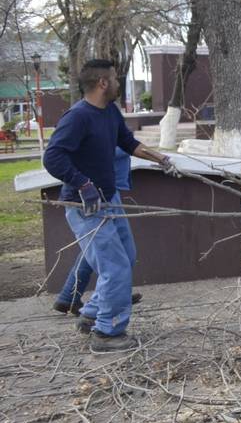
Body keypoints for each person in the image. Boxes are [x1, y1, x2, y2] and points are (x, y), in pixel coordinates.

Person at [42, 59, 179, 353]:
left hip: (109, 199)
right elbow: (52, 157)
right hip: (84, 205)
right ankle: (107, 333)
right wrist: (83, 184)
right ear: (103, 83)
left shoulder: (110, 112)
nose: (118, 83)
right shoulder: (78, 117)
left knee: (126, 257)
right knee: (114, 267)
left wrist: (162, 160)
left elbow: (128, 143)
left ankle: (91, 314)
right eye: (115, 79)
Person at [52, 147, 143, 315]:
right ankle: (106, 301)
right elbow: (102, 148)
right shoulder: (87, 123)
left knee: (98, 248)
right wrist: (133, 147)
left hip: (104, 190)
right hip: (95, 194)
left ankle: (69, 296)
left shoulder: (106, 122)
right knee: (111, 251)